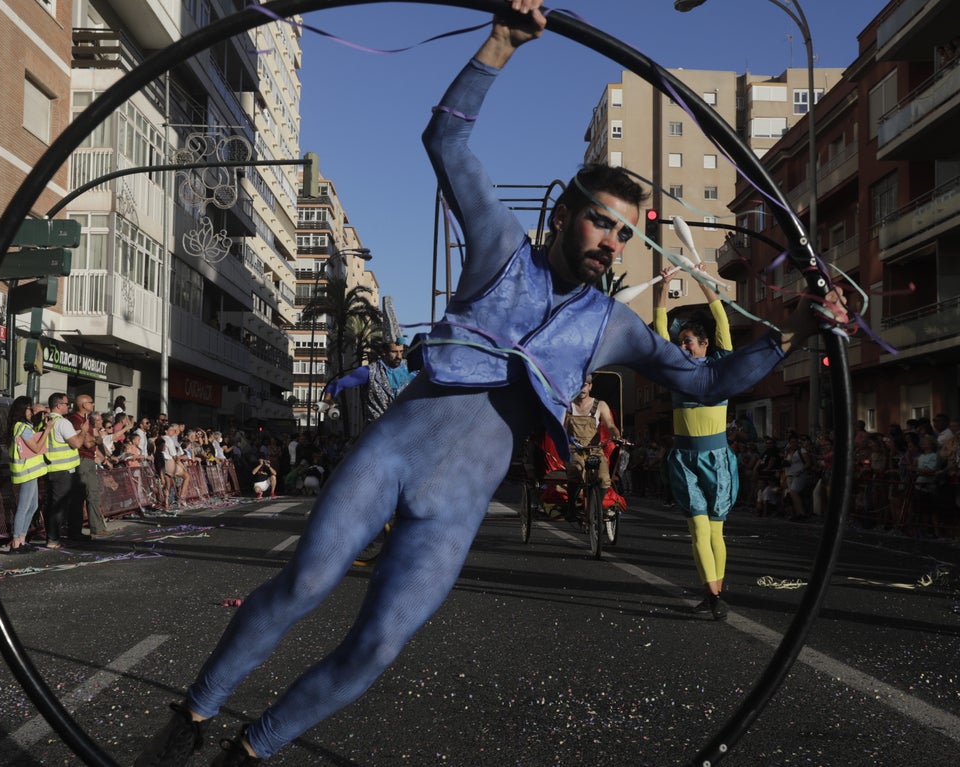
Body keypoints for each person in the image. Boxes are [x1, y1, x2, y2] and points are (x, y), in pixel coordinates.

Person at [131, 5, 838, 764]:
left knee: (375, 647)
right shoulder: (502, 251)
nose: (613, 243)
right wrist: (501, 44)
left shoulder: (613, 326)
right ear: (566, 213)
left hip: (455, 510)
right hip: (392, 456)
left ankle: (253, 747)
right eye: (603, 224)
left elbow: (703, 381)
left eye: (627, 235)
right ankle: (195, 710)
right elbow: (447, 139)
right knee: (305, 582)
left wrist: (790, 331)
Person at [654, 262, 735, 620]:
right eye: (681, 341)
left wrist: (702, 279)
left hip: (717, 459)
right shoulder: (676, 369)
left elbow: (723, 322)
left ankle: (716, 592)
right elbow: (659, 332)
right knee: (699, 529)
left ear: (705, 344)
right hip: (685, 460)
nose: (683, 345)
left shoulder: (720, 367)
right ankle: (714, 597)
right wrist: (665, 284)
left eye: (688, 341)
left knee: (716, 533)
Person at [563, 374, 622, 523]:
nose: (582, 388)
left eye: (585, 384)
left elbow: (610, 425)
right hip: (574, 449)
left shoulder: (600, 405)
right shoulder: (567, 406)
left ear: (590, 386)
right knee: (576, 470)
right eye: (579, 384)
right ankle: (571, 508)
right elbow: (560, 426)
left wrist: (616, 435)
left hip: (593, 451)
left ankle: (596, 507)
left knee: (602, 478)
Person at [319, 337, 416, 423]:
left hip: (405, 428)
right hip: (377, 430)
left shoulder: (412, 368)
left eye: (401, 351)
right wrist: (327, 399)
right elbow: (338, 384)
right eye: (394, 352)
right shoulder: (369, 372)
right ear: (384, 352)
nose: (399, 356)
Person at [42, 392, 85, 548]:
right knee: (58, 507)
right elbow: (77, 444)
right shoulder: (63, 422)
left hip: (51, 469)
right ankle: (53, 539)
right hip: (63, 471)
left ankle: (54, 536)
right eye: (67, 404)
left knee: (53, 505)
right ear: (59, 405)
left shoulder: (46, 420)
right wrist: (84, 431)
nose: (69, 406)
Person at [6, 396, 48, 553]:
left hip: (32, 471)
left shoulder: (25, 426)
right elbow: (36, 448)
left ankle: (22, 539)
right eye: (30, 408)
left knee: (33, 506)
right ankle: (16, 542)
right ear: (22, 410)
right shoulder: (22, 427)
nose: (32, 411)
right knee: (24, 507)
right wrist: (48, 429)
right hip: (26, 471)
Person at [65, 394, 110, 537]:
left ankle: (96, 528)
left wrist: (94, 439)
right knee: (81, 495)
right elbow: (87, 442)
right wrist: (95, 439)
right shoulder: (75, 420)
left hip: (90, 459)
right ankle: (75, 531)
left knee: (93, 495)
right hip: (82, 459)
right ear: (84, 405)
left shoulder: (87, 421)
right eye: (91, 403)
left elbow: (94, 440)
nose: (93, 405)